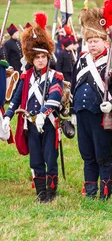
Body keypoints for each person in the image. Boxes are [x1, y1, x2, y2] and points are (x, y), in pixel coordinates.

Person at [73, 0, 112, 200]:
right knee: (87, 155)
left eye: (96, 40)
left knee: (102, 156)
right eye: (90, 41)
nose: (93, 44)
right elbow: (74, 87)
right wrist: (71, 111)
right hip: (83, 115)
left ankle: (105, 193)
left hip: (102, 117)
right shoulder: (81, 61)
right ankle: (90, 192)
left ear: (105, 41)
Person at [2, 12, 64, 202]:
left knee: (50, 158)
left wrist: (44, 114)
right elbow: (17, 97)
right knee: (36, 159)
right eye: (36, 57)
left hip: (49, 123)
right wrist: (8, 116)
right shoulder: (26, 76)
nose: (40, 60)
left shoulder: (56, 76)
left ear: (48, 57)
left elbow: (55, 96)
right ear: (31, 58)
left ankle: (51, 192)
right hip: (31, 124)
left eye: (43, 57)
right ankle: (41, 194)